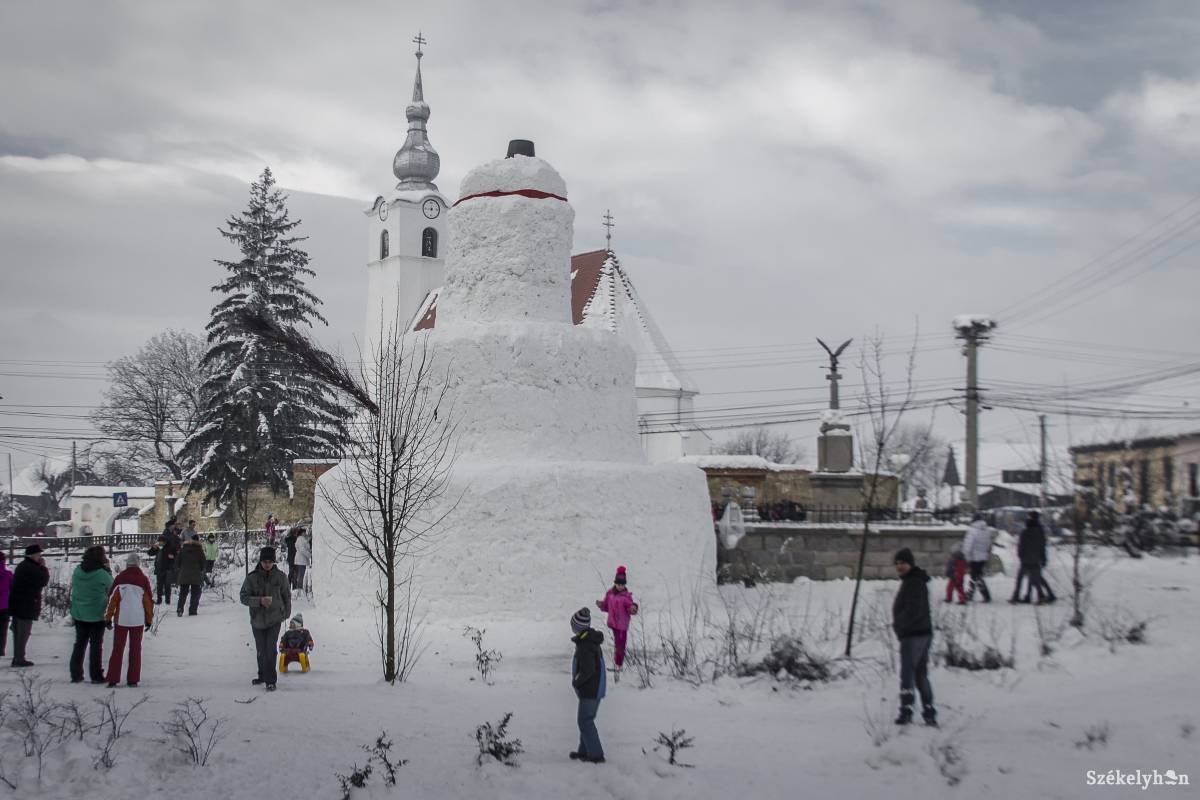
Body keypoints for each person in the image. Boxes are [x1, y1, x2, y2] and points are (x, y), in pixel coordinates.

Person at [892, 548, 936, 726]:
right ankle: (928, 711)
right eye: (897, 563)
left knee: (908, 674)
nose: (899, 566)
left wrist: (899, 625)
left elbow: (913, 610)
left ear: (910, 563)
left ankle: (907, 710)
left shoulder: (913, 583)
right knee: (920, 674)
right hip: (922, 632)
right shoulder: (914, 580)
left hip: (913, 635)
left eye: (903, 563)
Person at [239, 547, 291, 691]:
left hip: (275, 619)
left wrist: (286, 612)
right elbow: (243, 597)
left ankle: (271, 680)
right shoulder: (252, 578)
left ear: (274, 562)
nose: (267, 564)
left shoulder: (281, 577)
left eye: (270, 561)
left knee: (270, 649)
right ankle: (262, 674)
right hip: (258, 620)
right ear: (260, 561)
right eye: (264, 561)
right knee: (261, 649)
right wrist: (259, 601)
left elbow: (286, 595)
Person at [105, 552, 154, 688]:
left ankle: (113, 678)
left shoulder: (120, 578)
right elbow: (148, 601)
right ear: (138, 564)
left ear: (127, 564)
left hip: (121, 619)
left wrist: (108, 617)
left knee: (117, 649)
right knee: (135, 649)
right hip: (137, 619)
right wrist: (149, 619)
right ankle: (133, 679)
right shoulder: (143, 579)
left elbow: (112, 599)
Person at [69, 545, 113, 683]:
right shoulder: (101, 574)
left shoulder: (77, 571)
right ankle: (96, 675)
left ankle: (75, 673)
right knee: (96, 645)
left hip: (79, 613)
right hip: (96, 613)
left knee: (79, 644)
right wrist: (107, 569)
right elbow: (112, 586)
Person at [569, 607, 607, 763]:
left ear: (578, 627)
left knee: (585, 721)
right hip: (592, 689)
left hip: (590, 690)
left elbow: (589, 670)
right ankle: (584, 751)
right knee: (585, 720)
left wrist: (576, 681)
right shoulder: (588, 641)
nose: (571, 627)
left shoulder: (586, 645)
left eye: (573, 625)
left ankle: (596, 755)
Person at [9, 544, 50, 667]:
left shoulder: (23, 566)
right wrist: (43, 568)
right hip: (26, 604)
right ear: (33, 555)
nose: (40, 557)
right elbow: (43, 581)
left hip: (18, 603)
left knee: (18, 631)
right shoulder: (31, 568)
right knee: (23, 632)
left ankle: (17, 656)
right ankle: (19, 658)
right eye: (38, 555)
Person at [595, 565, 638, 679]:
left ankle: (619, 665)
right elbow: (606, 606)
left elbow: (630, 607)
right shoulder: (610, 594)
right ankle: (617, 662)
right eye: (619, 584)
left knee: (621, 645)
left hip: (622, 625)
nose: (620, 586)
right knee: (617, 645)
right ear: (615, 583)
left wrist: (633, 609)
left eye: (623, 584)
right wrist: (601, 605)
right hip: (614, 624)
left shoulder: (626, 597)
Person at [1012, 511, 1056, 604]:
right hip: (1036, 558)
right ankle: (1036, 596)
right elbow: (1042, 546)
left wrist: (1021, 556)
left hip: (1026, 560)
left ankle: (1025, 596)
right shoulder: (1040, 530)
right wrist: (1043, 558)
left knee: (1031, 579)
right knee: (1035, 578)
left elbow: (1021, 547)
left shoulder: (1025, 533)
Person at [961, 513, 996, 603]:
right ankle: (972, 593)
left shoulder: (972, 531)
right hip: (983, 557)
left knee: (976, 576)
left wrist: (966, 556)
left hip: (974, 557)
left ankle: (983, 595)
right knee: (976, 575)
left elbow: (968, 545)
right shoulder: (987, 530)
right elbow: (989, 544)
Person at [175, 533, 206, 616]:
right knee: (195, 594)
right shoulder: (199, 550)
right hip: (196, 575)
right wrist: (201, 570)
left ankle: (180, 609)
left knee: (183, 593)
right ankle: (192, 611)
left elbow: (177, 562)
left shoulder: (183, 549)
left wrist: (179, 569)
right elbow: (203, 563)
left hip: (184, 574)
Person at [0, 553, 12, 659]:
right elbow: (13, 588)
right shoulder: (8, 574)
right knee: (2, 630)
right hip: (4, 606)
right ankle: (1, 650)